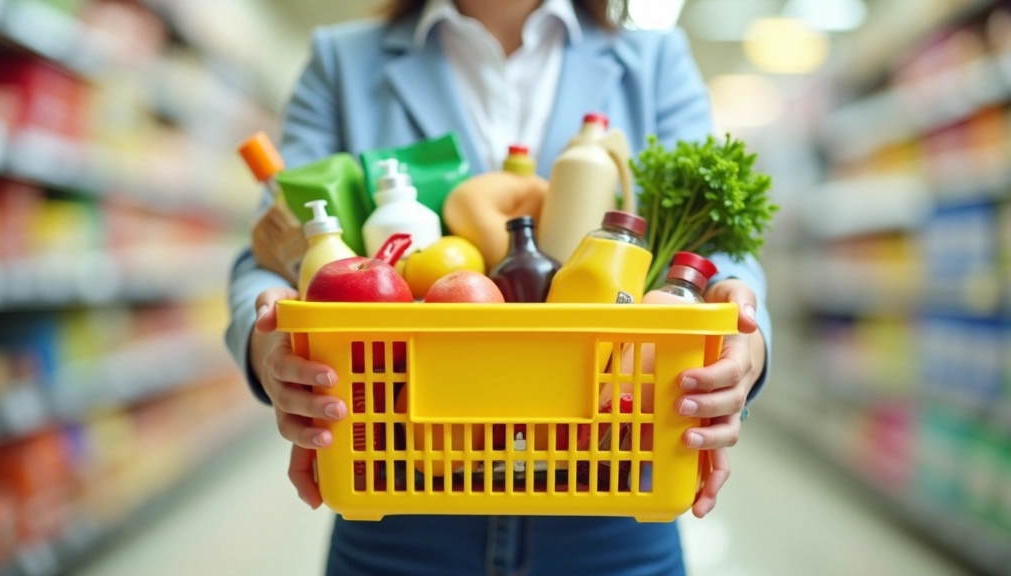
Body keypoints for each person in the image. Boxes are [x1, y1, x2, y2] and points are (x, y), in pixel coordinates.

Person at [225, 0, 772, 574]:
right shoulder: (342, 62)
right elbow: (272, 252)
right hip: (397, 502)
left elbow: (722, 252)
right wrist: (272, 347)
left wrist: (743, 343)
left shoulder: (656, 59)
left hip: (615, 505)